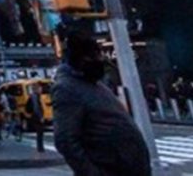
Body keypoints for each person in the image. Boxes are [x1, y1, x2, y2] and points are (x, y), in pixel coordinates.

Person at [52, 30, 151, 176]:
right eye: (94, 56)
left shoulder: (95, 84)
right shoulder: (67, 88)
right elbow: (65, 140)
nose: (100, 60)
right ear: (81, 60)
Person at [26, 82, 46, 152]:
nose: (41, 90)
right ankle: (40, 148)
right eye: (40, 89)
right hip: (37, 117)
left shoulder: (35, 96)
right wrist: (41, 117)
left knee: (40, 132)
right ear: (37, 89)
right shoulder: (35, 96)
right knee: (40, 132)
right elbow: (36, 108)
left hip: (35, 116)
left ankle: (40, 147)